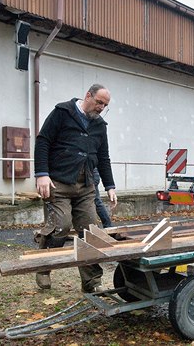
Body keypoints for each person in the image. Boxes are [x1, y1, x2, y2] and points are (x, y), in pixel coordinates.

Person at [33, 83, 117, 293]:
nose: (100, 108)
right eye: (99, 102)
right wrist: (42, 174)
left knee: (90, 232)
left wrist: (110, 186)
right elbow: (43, 141)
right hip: (58, 182)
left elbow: (103, 157)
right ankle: (44, 267)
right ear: (87, 95)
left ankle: (91, 282)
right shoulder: (62, 113)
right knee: (60, 226)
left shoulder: (100, 125)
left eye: (105, 105)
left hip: (85, 185)